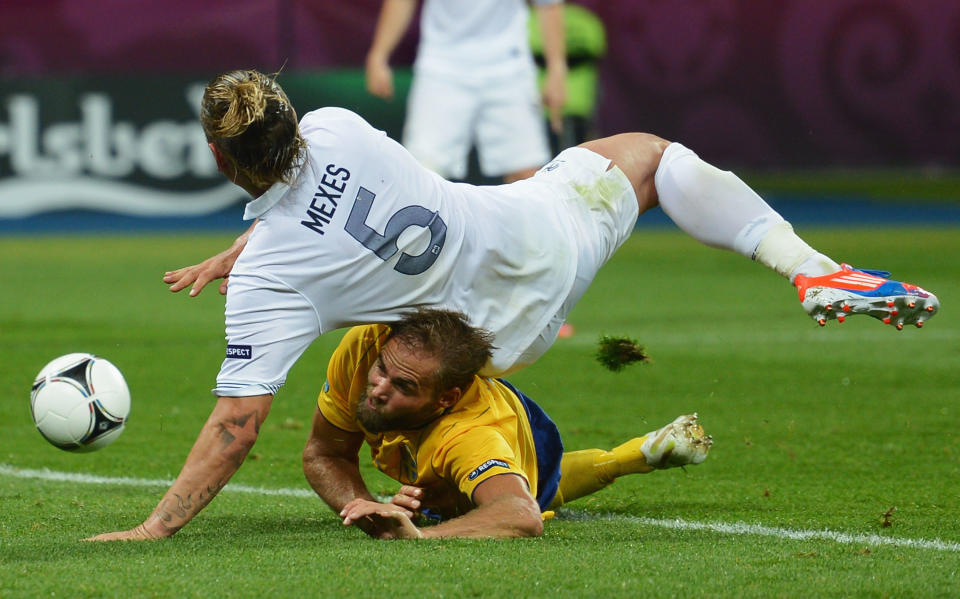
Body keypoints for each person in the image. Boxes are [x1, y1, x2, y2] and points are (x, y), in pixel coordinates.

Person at [88, 69, 938, 541]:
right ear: (295, 119)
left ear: (216, 155)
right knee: (654, 157)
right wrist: (248, 245)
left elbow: (239, 420)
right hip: (540, 236)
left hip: (487, 338)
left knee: (396, 382)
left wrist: (156, 528)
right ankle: (808, 266)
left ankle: (464, 489)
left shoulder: (274, 277)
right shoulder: (340, 125)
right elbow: (316, 200)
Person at [303, 308, 711, 539]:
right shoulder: (364, 349)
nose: (377, 388)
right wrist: (366, 512)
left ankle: (632, 456)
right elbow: (325, 453)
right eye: (382, 370)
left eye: (403, 385)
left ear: (446, 398)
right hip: (442, 440)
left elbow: (520, 514)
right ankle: (642, 451)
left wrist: (420, 536)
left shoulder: (470, 437)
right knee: (439, 496)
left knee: (540, 487)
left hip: (521, 432)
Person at [365, 0, 567, 183]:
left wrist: (557, 69)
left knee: (526, 176)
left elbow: (549, 4)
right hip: (442, 66)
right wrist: (379, 56)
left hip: (509, 66)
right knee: (422, 174)